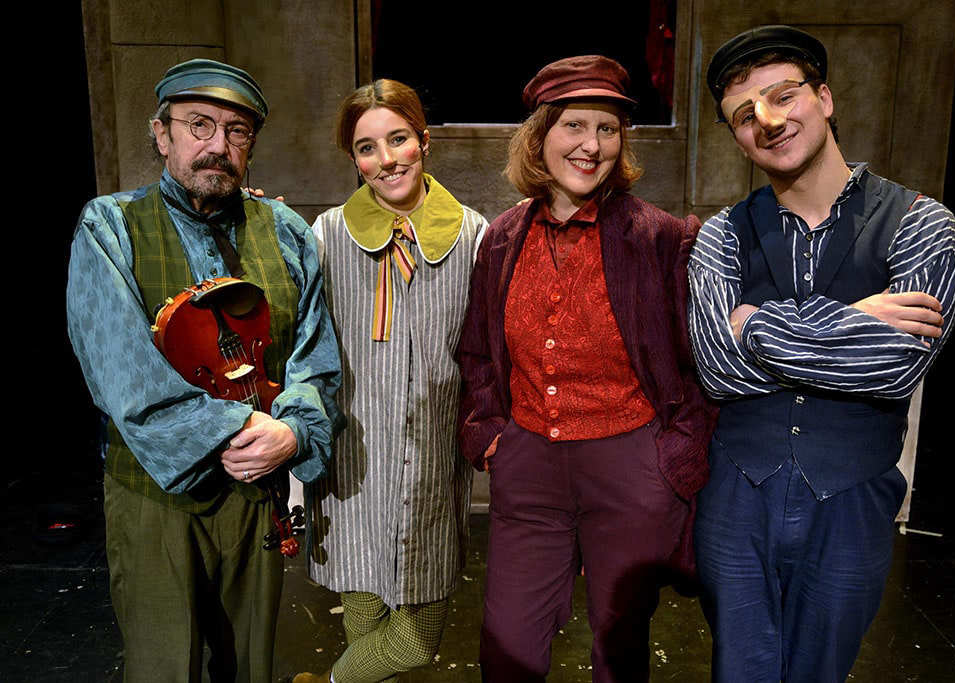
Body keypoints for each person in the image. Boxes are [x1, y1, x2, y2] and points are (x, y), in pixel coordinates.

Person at [688, 25, 955, 682]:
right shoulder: (721, 235)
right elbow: (716, 366)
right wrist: (856, 319)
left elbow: (894, 365)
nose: (768, 120)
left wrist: (755, 323)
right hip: (738, 496)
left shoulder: (923, 223)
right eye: (744, 115)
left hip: (851, 497)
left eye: (783, 95)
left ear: (825, 98)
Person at [67, 58, 343, 682]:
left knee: (251, 665)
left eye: (236, 131)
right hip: (155, 495)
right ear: (162, 135)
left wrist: (294, 432)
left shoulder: (288, 233)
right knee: (166, 668)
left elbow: (315, 357)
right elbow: (122, 372)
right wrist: (241, 428)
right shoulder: (110, 225)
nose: (218, 144)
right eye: (199, 124)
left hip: (258, 492)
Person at [457, 55, 717, 683]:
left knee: (618, 647)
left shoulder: (658, 237)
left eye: (608, 129)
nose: (591, 145)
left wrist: (670, 457)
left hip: (629, 467)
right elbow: (478, 351)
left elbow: (696, 363)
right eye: (575, 125)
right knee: (508, 649)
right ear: (540, 135)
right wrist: (489, 434)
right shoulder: (502, 237)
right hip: (529, 465)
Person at [293, 79, 489, 683]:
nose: (387, 159)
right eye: (367, 148)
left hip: (432, 468)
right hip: (353, 473)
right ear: (354, 159)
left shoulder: (473, 235)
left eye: (398, 139)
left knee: (416, 640)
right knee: (365, 625)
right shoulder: (326, 235)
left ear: (423, 141)